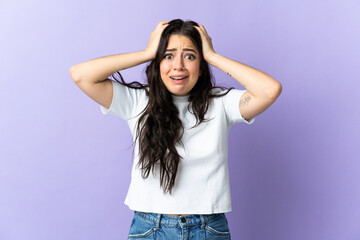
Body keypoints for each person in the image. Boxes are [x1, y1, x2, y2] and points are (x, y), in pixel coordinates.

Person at [70, 19, 282, 239]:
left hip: (208, 229)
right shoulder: (137, 100)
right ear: (157, 62)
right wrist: (147, 52)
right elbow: (81, 75)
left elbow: (269, 90)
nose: (178, 65)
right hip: (151, 229)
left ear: (201, 68)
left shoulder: (221, 103)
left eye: (190, 56)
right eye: (168, 56)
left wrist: (213, 56)